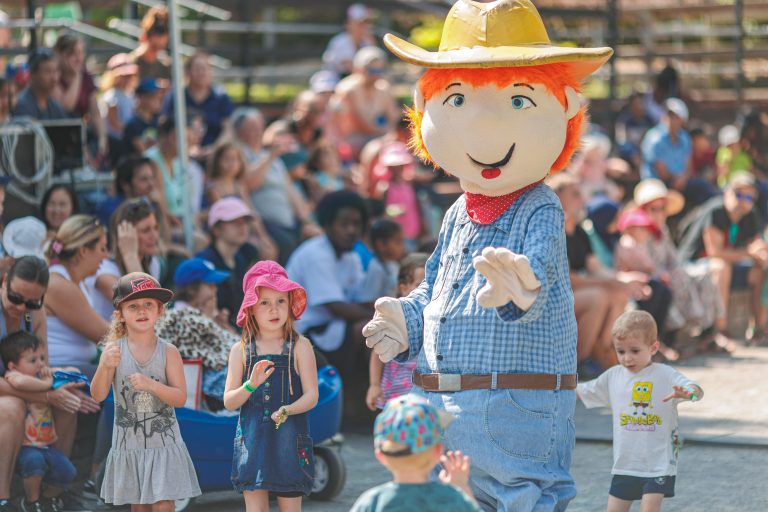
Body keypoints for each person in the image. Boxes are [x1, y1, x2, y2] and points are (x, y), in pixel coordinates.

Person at [91, 272, 200, 509]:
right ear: (120, 314)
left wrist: (151, 385)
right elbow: (98, 395)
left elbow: (180, 398)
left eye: (148, 304)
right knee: (139, 507)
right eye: (133, 306)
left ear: (160, 310)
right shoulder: (114, 351)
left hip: (163, 445)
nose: (142, 311)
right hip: (129, 445)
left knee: (163, 504)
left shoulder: (168, 352)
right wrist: (104, 366)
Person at [576, 310, 704, 512]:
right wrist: (551, 387)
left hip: (658, 463)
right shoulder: (613, 376)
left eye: (634, 351)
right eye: (620, 351)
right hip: (625, 463)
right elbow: (581, 391)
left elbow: (697, 391)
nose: (627, 358)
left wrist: (689, 394)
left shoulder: (665, 375)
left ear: (653, 347)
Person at [0, 257, 96, 512]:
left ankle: (52, 492)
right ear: (4, 282)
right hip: (8, 395)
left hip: (24, 386)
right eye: (16, 298)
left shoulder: (35, 314)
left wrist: (61, 384)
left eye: (32, 301)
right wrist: (47, 395)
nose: (22, 308)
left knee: (68, 393)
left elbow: (42, 367)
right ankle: (4, 499)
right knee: (11, 406)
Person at [223, 261, 318, 510]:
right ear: (251, 308)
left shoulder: (300, 346)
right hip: (253, 445)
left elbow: (311, 395)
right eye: (264, 302)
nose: (273, 309)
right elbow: (230, 401)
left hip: (290, 443)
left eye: (280, 301)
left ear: (289, 305)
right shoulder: (240, 351)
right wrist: (250, 385)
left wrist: (288, 409)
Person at [286, 191, 372, 418]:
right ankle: (365, 404)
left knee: (377, 325)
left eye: (356, 224)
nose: (351, 230)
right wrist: (380, 315)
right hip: (305, 335)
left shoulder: (350, 257)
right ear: (327, 224)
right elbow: (336, 306)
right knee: (369, 329)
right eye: (344, 224)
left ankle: (363, 403)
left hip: (333, 327)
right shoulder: (317, 254)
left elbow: (359, 298)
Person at [677, 171, 768, 343]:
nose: (743, 201)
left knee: (758, 272)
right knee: (721, 266)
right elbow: (715, 252)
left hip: (727, 265)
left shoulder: (751, 215)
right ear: (727, 193)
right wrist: (750, 253)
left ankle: (758, 329)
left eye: (749, 198)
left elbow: (758, 247)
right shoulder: (716, 210)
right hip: (691, 264)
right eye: (739, 194)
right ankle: (719, 330)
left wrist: (761, 255)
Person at [351, 395, 480, 512]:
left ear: (381, 456)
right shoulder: (450, 499)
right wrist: (461, 488)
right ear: (437, 452)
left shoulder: (372, 502)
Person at [0, 332, 77, 512]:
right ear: (13, 366)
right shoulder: (14, 377)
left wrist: (60, 373)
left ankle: (48, 498)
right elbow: (21, 384)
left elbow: (75, 373)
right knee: (33, 465)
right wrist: (49, 385)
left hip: (46, 445)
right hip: (26, 447)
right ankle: (31, 501)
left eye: (42, 358)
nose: (41, 363)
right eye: (33, 360)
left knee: (68, 470)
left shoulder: (40, 375)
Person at [233, 107, 321, 263]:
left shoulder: (273, 159)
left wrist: (307, 221)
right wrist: (271, 156)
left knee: (316, 240)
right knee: (287, 245)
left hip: (288, 223)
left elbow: (291, 193)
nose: (257, 132)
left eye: (259, 127)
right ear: (240, 131)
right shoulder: (238, 155)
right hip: (265, 224)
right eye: (251, 128)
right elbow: (248, 184)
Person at [155, 258, 237, 403]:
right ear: (192, 289)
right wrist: (212, 322)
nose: (215, 289)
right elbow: (242, 351)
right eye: (210, 285)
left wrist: (220, 323)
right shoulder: (185, 318)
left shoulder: (196, 316)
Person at [44, 215, 109, 378]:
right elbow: (107, 335)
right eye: (102, 248)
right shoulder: (60, 285)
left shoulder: (76, 283)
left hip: (77, 369)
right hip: (62, 373)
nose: (106, 256)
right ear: (83, 251)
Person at [366, 252, 428, 411]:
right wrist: (374, 385)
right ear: (404, 287)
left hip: (425, 390)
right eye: (420, 285)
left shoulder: (436, 316)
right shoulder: (395, 316)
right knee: (395, 430)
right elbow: (377, 353)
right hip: (396, 389)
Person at [197, 197, 260, 327]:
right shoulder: (204, 263)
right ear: (216, 229)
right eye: (234, 222)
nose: (242, 227)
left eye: (245, 222)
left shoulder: (241, 259)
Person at [331, 46, 399, 160]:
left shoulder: (384, 88)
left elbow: (392, 116)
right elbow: (358, 122)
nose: (375, 75)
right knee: (376, 148)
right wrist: (384, 135)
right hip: (353, 138)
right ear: (358, 69)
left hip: (377, 134)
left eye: (379, 71)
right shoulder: (347, 89)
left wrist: (391, 134)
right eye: (371, 71)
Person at [161, 51, 233, 153]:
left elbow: (228, 130)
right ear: (188, 72)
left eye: (205, 69)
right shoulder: (176, 97)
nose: (201, 73)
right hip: (180, 153)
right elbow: (164, 127)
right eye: (197, 69)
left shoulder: (221, 97)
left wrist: (213, 150)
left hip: (214, 155)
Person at [52, 32, 108, 162]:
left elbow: (95, 113)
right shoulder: (55, 75)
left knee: (114, 144)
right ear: (61, 55)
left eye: (80, 52)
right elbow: (66, 106)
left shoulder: (86, 77)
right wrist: (77, 75)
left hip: (83, 131)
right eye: (72, 54)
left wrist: (102, 139)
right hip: (63, 132)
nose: (78, 58)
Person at [640, 98, 692, 191]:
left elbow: (688, 166)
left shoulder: (685, 138)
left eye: (675, 116)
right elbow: (662, 172)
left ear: (682, 120)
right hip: (656, 185)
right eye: (668, 115)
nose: (670, 119)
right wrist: (678, 179)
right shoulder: (653, 138)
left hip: (680, 182)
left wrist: (683, 178)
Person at [11, 49, 68, 120]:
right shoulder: (21, 105)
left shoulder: (55, 107)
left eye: (56, 71)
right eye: (48, 72)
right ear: (32, 74)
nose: (54, 78)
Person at [322, 3, 376, 77]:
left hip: (356, 78)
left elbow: (376, 62)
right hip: (335, 80)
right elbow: (353, 69)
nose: (363, 26)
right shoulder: (340, 42)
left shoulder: (366, 41)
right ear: (348, 24)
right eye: (358, 23)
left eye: (365, 23)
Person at [359, 219, 405, 303]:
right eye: (398, 242)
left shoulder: (393, 265)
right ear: (381, 245)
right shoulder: (376, 268)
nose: (402, 247)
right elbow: (368, 300)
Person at [130, 6, 172, 83]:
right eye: (157, 32)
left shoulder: (166, 66)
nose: (160, 40)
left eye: (164, 32)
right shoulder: (131, 64)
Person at [122, 79, 164, 156]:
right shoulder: (133, 125)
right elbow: (144, 153)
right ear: (142, 98)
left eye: (159, 95)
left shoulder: (158, 121)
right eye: (153, 96)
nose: (158, 99)